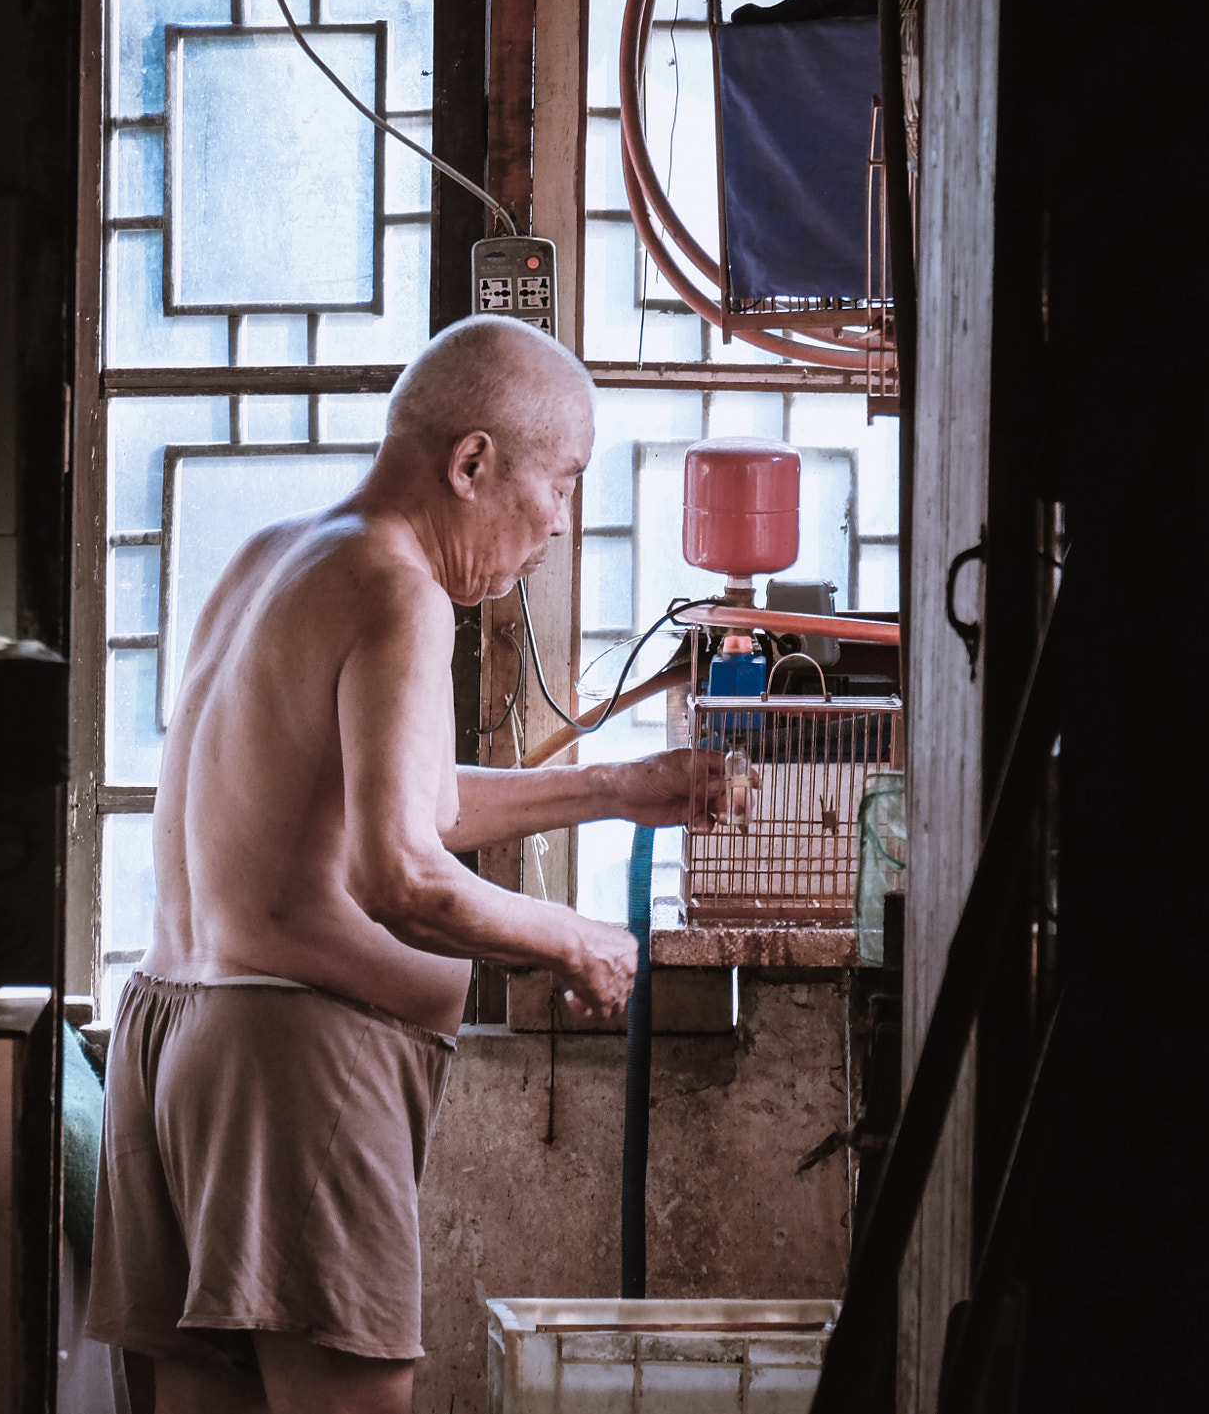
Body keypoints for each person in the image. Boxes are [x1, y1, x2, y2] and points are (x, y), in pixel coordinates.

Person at [85, 316, 738, 1413]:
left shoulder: (280, 553)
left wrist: (609, 786)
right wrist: (572, 935)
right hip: (291, 1060)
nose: (559, 525)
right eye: (561, 482)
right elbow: (400, 872)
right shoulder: (401, 586)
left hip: (175, 1039)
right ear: (471, 461)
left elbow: (384, 800)